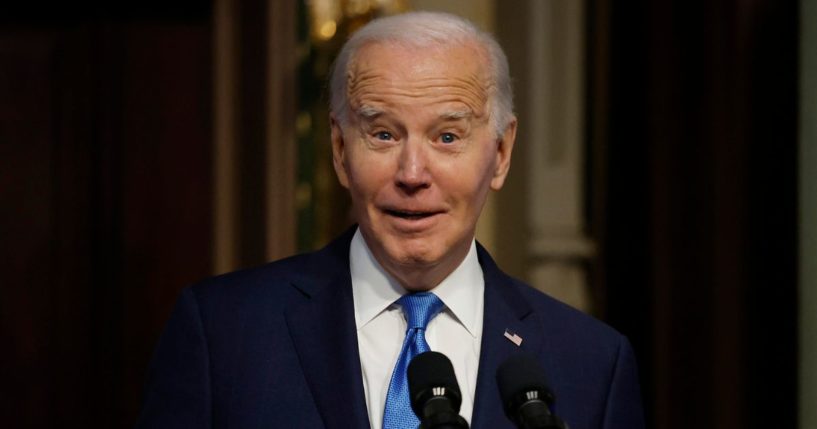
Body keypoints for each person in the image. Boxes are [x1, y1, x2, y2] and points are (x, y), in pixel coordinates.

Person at [137, 11, 644, 429]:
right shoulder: (223, 333)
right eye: (382, 134)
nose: (413, 173)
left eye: (447, 137)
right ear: (339, 149)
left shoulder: (591, 363)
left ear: (502, 153)